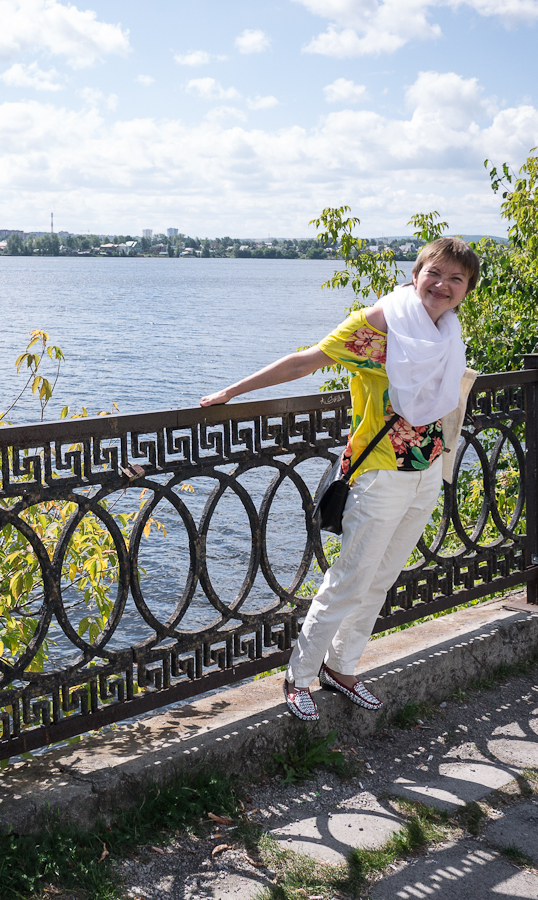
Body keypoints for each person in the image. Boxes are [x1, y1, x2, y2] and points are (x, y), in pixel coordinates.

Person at [200, 237, 479, 720]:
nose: (442, 285)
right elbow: (305, 361)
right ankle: (299, 677)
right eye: (434, 273)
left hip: (426, 471)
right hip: (379, 474)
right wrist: (233, 390)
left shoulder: (446, 333)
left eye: (456, 278)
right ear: (415, 275)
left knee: (382, 578)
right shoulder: (377, 325)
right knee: (349, 581)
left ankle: (342, 668)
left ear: (466, 290)